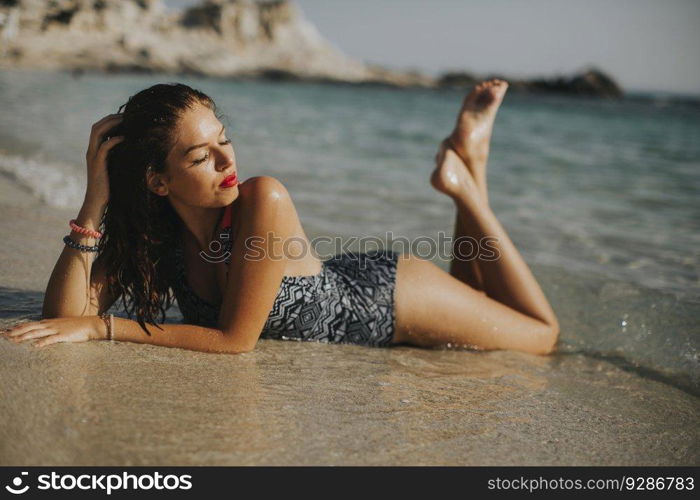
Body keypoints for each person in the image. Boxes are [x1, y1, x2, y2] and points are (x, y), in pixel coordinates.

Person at [2, 80, 559, 355]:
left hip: (388, 300)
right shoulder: (155, 234)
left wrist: (103, 328)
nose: (228, 162)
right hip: (361, 289)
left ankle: (468, 189)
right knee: (475, 289)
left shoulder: (261, 198)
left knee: (543, 336)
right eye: (201, 157)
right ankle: (469, 162)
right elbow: (62, 314)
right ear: (157, 181)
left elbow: (233, 342)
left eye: (224, 141)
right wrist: (95, 199)